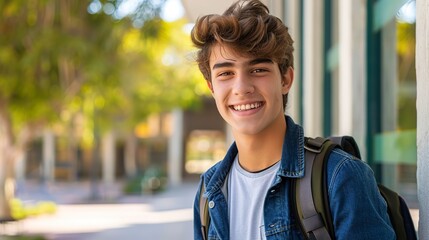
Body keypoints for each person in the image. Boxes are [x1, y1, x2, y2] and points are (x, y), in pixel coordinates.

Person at [191, 0, 395, 239]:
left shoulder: (341, 176)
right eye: (226, 73)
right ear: (211, 87)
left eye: (258, 70)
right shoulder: (209, 190)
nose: (241, 87)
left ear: (285, 79)